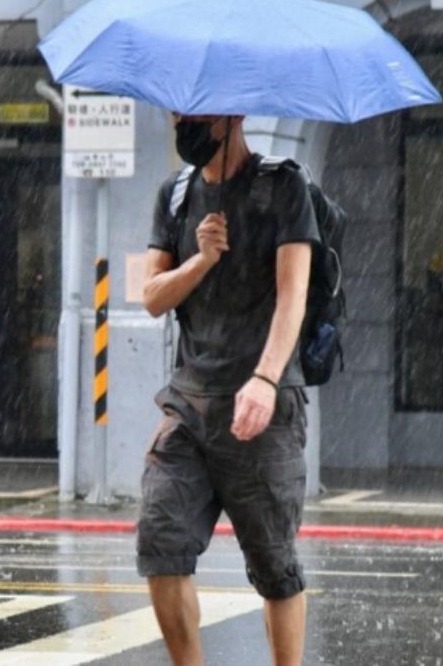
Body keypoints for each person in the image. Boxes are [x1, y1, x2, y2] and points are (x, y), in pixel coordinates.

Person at [138, 114, 318, 666]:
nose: (181, 122)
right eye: (175, 114)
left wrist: (264, 379)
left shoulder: (284, 187)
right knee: (160, 544)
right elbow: (151, 295)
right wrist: (202, 258)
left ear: (231, 117)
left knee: (275, 568)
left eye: (194, 113)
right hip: (188, 406)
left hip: (263, 408)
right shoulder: (175, 195)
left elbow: (293, 297)